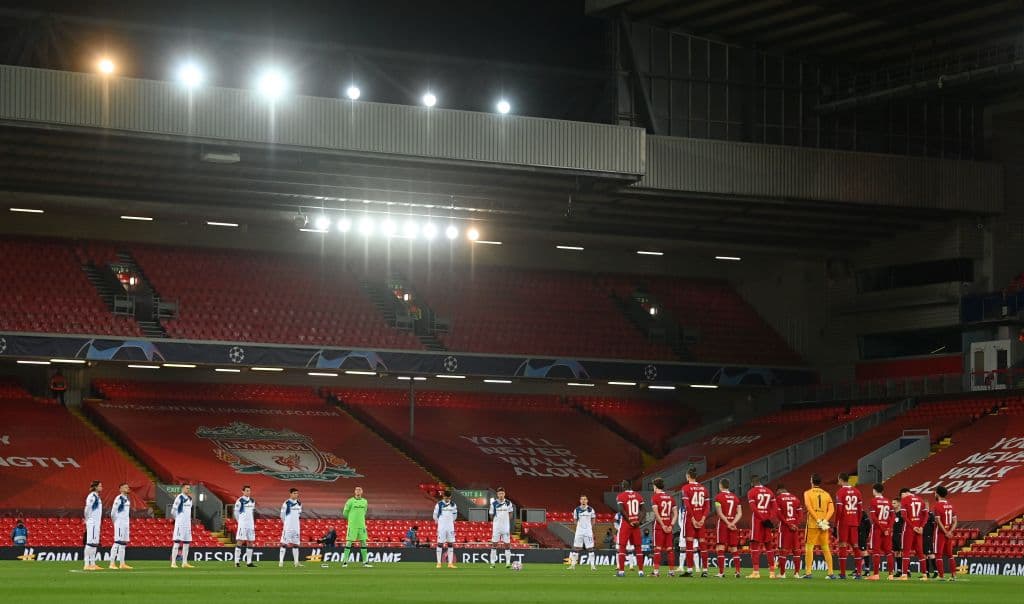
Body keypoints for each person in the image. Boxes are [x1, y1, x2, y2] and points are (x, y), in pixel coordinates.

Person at [802, 473, 836, 579]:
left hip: (813, 524)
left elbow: (809, 507)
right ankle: (830, 573)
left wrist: (817, 520)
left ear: (811, 481)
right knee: (825, 547)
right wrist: (824, 520)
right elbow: (832, 509)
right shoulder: (826, 494)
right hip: (823, 525)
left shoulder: (807, 493)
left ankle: (808, 572)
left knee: (809, 547)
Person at [679, 467, 709, 578]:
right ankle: (705, 570)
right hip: (701, 519)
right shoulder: (703, 488)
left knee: (689, 545)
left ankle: (690, 570)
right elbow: (707, 506)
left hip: (691, 519)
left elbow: (687, 505)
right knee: (703, 544)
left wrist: (692, 519)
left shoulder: (685, 488)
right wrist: (702, 519)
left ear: (688, 476)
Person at [746, 474, 776, 579]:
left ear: (752, 483)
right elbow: (774, 508)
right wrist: (769, 518)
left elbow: (754, 508)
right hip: (767, 520)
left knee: (754, 546)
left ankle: (756, 572)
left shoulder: (751, 492)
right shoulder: (770, 491)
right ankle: (772, 573)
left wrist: (762, 518)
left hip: (758, 521)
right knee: (769, 546)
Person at [835, 472, 864, 579]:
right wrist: (858, 521)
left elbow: (839, 510)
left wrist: (836, 522)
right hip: (854, 522)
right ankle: (859, 573)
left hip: (844, 522)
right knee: (856, 547)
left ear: (840, 479)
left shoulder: (840, 492)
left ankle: (843, 573)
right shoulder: (857, 491)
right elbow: (860, 510)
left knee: (842, 546)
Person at [614, 479, 645, 577]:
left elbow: (621, 510)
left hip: (626, 524)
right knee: (638, 548)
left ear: (624, 485)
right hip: (636, 525)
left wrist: (629, 521)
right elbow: (644, 510)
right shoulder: (638, 496)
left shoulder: (620, 496)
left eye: (623, 484)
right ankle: (640, 571)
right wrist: (638, 522)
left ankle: (621, 571)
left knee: (622, 547)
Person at [714, 478, 743, 579]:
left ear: (720, 485)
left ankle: (721, 573)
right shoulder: (735, 498)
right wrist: (732, 523)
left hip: (723, 524)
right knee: (734, 548)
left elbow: (719, 513)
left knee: (720, 548)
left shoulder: (718, 497)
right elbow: (740, 513)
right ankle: (737, 572)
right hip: (733, 525)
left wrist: (727, 523)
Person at [649, 477, 677, 577]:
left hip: (660, 527)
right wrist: (671, 525)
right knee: (670, 549)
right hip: (669, 526)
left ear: (655, 486)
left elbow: (656, 514)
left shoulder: (655, 498)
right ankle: (671, 572)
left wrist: (663, 525)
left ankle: (656, 572)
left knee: (657, 549)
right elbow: (675, 513)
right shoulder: (670, 498)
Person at [774, 484, 803, 578]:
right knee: (796, 550)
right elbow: (800, 514)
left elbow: (778, 514)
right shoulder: (795, 498)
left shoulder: (779, 498)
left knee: (783, 550)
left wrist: (788, 524)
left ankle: (782, 574)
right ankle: (797, 573)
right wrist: (795, 524)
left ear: (779, 491)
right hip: (794, 528)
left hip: (785, 528)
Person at [867, 483, 895, 581]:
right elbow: (892, 517)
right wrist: (888, 529)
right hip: (887, 529)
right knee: (888, 552)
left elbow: (873, 517)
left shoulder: (873, 501)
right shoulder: (888, 501)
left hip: (878, 529)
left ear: (874, 490)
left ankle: (876, 574)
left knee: (876, 551)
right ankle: (891, 575)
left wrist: (883, 529)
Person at [898, 487, 927, 580]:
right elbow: (926, 515)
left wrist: (913, 527)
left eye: (901, 495)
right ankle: (924, 575)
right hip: (919, 529)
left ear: (906, 493)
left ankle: (904, 575)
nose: (901, 497)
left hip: (909, 529)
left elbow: (904, 516)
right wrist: (921, 527)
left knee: (906, 552)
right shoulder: (920, 500)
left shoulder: (905, 500)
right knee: (920, 553)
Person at [341, 486, 372, 568]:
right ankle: (345, 562)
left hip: (361, 525)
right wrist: (351, 520)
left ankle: (365, 562)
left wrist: (359, 519)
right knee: (349, 542)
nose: (358, 491)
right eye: (356, 490)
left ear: (362, 492)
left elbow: (364, 511)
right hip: (352, 526)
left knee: (364, 542)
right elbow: (345, 513)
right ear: (354, 492)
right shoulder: (350, 501)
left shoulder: (365, 501)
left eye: (359, 490)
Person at [932, 486, 958, 582]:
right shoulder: (950, 505)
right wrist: (950, 531)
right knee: (950, 554)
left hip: (940, 533)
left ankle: (941, 575)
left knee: (938, 555)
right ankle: (954, 575)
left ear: (937, 494)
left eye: (935, 493)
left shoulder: (937, 505)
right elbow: (955, 521)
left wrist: (946, 532)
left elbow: (938, 521)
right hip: (949, 533)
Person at [568, 494, 597, 571]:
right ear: (580, 501)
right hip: (579, 531)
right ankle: (573, 565)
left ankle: (593, 566)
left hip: (588, 531)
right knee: (576, 547)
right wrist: (579, 526)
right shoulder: (576, 510)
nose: (583, 500)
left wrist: (589, 527)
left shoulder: (591, 509)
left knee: (590, 548)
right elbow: (575, 520)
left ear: (587, 500)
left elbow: (593, 520)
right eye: (582, 499)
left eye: (585, 499)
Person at [488, 487, 515, 569]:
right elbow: (491, 515)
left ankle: (507, 563)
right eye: (499, 493)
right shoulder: (493, 504)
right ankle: (492, 563)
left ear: (504, 494)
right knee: (494, 544)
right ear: (497, 494)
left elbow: (511, 513)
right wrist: (496, 521)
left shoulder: (508, 503)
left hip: (506, 527)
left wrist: (506, 520)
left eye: (502, 493)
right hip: (496, 528)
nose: (501, 495)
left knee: (507, 545)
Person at [170, 484, 194, 568]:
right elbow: (173, 511)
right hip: (180, 524)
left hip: (187, 524)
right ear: (182, 489)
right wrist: (178, 519)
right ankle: (173, 563)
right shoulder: (179, 497)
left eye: (189, 488)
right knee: (177, 543)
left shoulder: (190, 499)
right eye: (186, 488)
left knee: (187, 543)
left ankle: (184, 563)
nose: (188, 489)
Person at [109, 483, 132, 570]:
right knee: (117, 542)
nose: (128, 488)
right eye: (126, 487)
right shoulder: (118, 498)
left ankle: (122, 563)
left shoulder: (127, 499)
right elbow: (113, 512)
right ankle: (112, 563)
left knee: (123, 543)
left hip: (126, 523)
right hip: (119, 522)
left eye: (128, 487)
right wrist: (116, 521)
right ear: (121, 489)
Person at [433, 488, 458, 569]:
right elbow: (435, 515)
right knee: (440, 544)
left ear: (450, 497)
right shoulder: (439, 504)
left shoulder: (453, 505)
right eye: (446, 498)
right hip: (442, 527)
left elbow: (455, 516)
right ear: (443, 497)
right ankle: (439, 563)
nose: (447, 499)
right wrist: (439, 523)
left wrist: (450, 522)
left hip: (450, 527)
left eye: (448, 498)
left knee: (450, 544)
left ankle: (450, 564)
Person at [233, 485, 257, 568]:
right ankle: (236, 562)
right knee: (240, 541)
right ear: (242, 491)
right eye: (246, 490)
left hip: (250, 524)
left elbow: (252, 512)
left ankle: (249, 562)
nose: (248, 492)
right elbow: (236, 513)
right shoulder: (240, 500)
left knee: (250, 542)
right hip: (242, 524)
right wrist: (240, 522)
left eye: (249, 491)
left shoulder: (252, 501)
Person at [279, 488, 303, 568]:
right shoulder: (286, 503)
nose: (296, 494)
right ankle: (281, 562)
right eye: (294, 493)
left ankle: (296, 562)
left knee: (296, 544)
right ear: (290, 494)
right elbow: (282, 515)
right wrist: (286, 524)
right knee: (284, 544)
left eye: (297, 493)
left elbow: (299, 514)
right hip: (288, 527)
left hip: (296, 527)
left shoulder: (299, 503)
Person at [83, 480, 103, 571]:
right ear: (95, 487)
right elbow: (87, 509)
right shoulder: (91, 496)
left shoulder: (97, 497)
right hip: (92, 522)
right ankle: (86, 564)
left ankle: (93, 563)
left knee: (94, 543)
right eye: (100, 486)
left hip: (97, 522)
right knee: (90, 542)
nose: (101, 487)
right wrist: (87, 520)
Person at [891, 498, 905, 577]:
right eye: (892, 503)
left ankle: (907, 571)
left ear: (899, 504)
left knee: (902, 552)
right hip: (894, 534)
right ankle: (899, 570)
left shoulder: (902, 513)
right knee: (896, 552)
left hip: (901, 534)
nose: (893, 504)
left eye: (894, 503)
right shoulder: (892, 514)